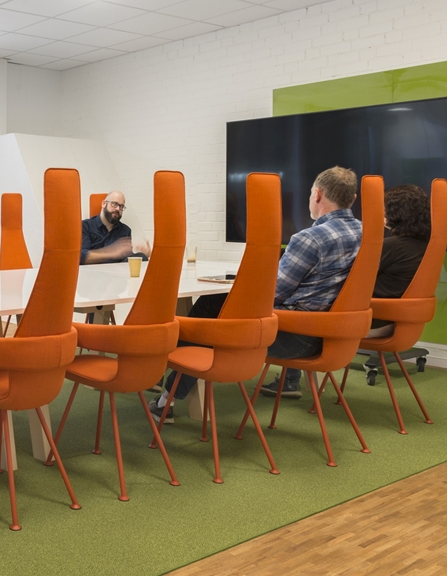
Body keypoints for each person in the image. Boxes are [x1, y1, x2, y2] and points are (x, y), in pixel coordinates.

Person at [149, 166, 362, 422]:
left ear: (317, 194)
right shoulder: (367, 234)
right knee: (215, 306)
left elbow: (270, 295)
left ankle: (165, 395)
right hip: (336, 335)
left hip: (295, 337)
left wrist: (248, 284)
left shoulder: (310, 239)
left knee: (208, 308)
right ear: (352, 198)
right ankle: (166, 392)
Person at [367, 184, 430, 337]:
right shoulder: (426, 245)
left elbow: (352, 282)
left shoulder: (391, 246)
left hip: (374, 320)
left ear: (395, 212)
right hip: (397, 321)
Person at [80, 191, 150, 265]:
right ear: (104, 204)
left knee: (141, 257)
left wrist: (144, 254)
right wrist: (112, 252)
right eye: (114, 204)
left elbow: (125, 260)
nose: (118, 209)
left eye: (121, 206)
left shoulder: (125, 230)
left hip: (118, 271)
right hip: (92, 271)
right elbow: (80, 257)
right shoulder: (85, 226)